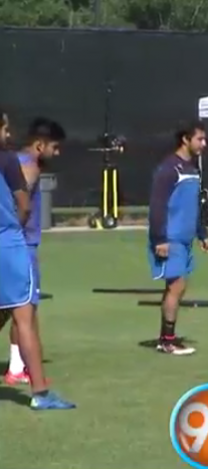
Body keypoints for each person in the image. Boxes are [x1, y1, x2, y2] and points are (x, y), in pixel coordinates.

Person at [0, 118, 75, 409]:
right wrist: (13, 233)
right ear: (41, 145)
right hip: (15, 247)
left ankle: (18, 369)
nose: (9, 134)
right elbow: (24, 206)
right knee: (25, 315)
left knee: (9, 312)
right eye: (5, 129)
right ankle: (40, 392)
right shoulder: (19, 163)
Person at [148, 121, 208, 356]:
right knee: (177, 286)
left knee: (177, 288)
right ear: (185, 139)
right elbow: (157, 206)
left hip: (185, 239)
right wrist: (160, 239)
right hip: (171, 238)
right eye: (200, 139)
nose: (204, 144)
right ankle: (168, 341)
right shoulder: (168, 169)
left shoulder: (193, 169)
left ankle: (166, 338)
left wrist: (202, 234)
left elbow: (192, 205)